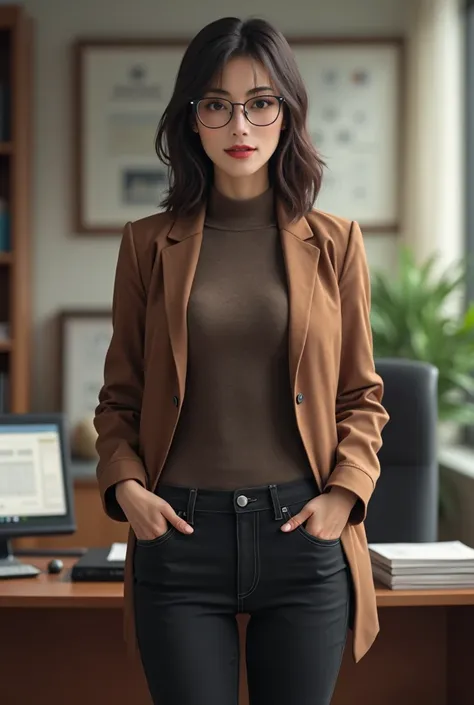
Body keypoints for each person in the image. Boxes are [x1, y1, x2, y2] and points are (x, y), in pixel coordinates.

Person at [94, 16, 390, 705]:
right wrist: (129, 490)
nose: (241, 125)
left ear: (287, 114)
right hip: (180, 536)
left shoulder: (336, 241)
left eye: (261, 102)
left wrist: (342, 496)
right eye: (217, 104)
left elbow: (362, 395)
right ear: (190, 119)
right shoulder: (147, 245)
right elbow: (119, 400)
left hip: (301, 532)